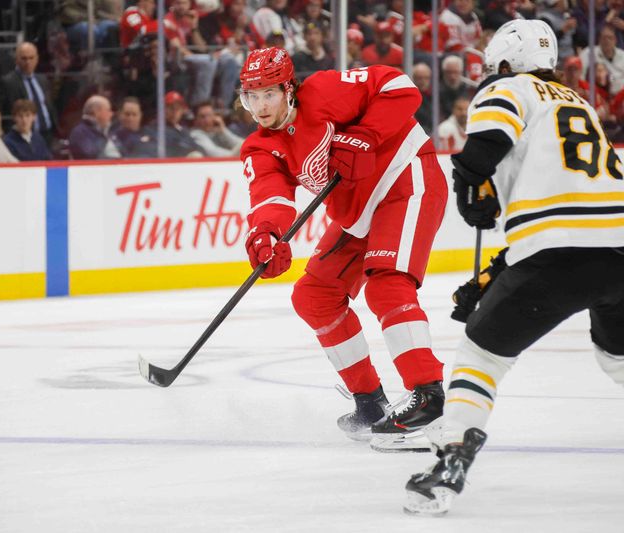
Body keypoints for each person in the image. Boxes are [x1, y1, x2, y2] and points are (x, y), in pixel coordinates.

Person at [404, 20, 624, 516]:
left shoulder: (507, 89)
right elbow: (575, 205)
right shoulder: (578, 101)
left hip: (559, 251)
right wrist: (494, 274)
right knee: (619, 361)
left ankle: (450, 462)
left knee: (480, 358)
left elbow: (482, 152)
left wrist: (467, 183)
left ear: (505, 63)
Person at [238, 47, 447, 451]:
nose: (260, 106)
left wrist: (367, 134)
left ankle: (429, 397)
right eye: (252, 96)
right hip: (358, 211)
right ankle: (370, 403)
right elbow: (270, 197)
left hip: (405, 177)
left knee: (387, 285)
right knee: (314, 296)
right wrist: (266, 235)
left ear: (289, 89)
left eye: (268, 94)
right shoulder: (261, 146)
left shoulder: (325, 91)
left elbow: (401, 88)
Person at [0, 42, 58, 142]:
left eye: (31, 58)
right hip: (23, 137)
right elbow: (4, 111)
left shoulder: (42, 80)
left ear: (37, 59)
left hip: (47, 134)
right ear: (16, 60)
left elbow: (49, 106)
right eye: (24, 58)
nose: (28, 62)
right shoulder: (8, 82)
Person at [68, 94, 125, 160]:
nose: (111, 114)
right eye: (108, 110)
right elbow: (91, 156)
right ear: (97, 111)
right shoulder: (79, 133)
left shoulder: (109, 131)